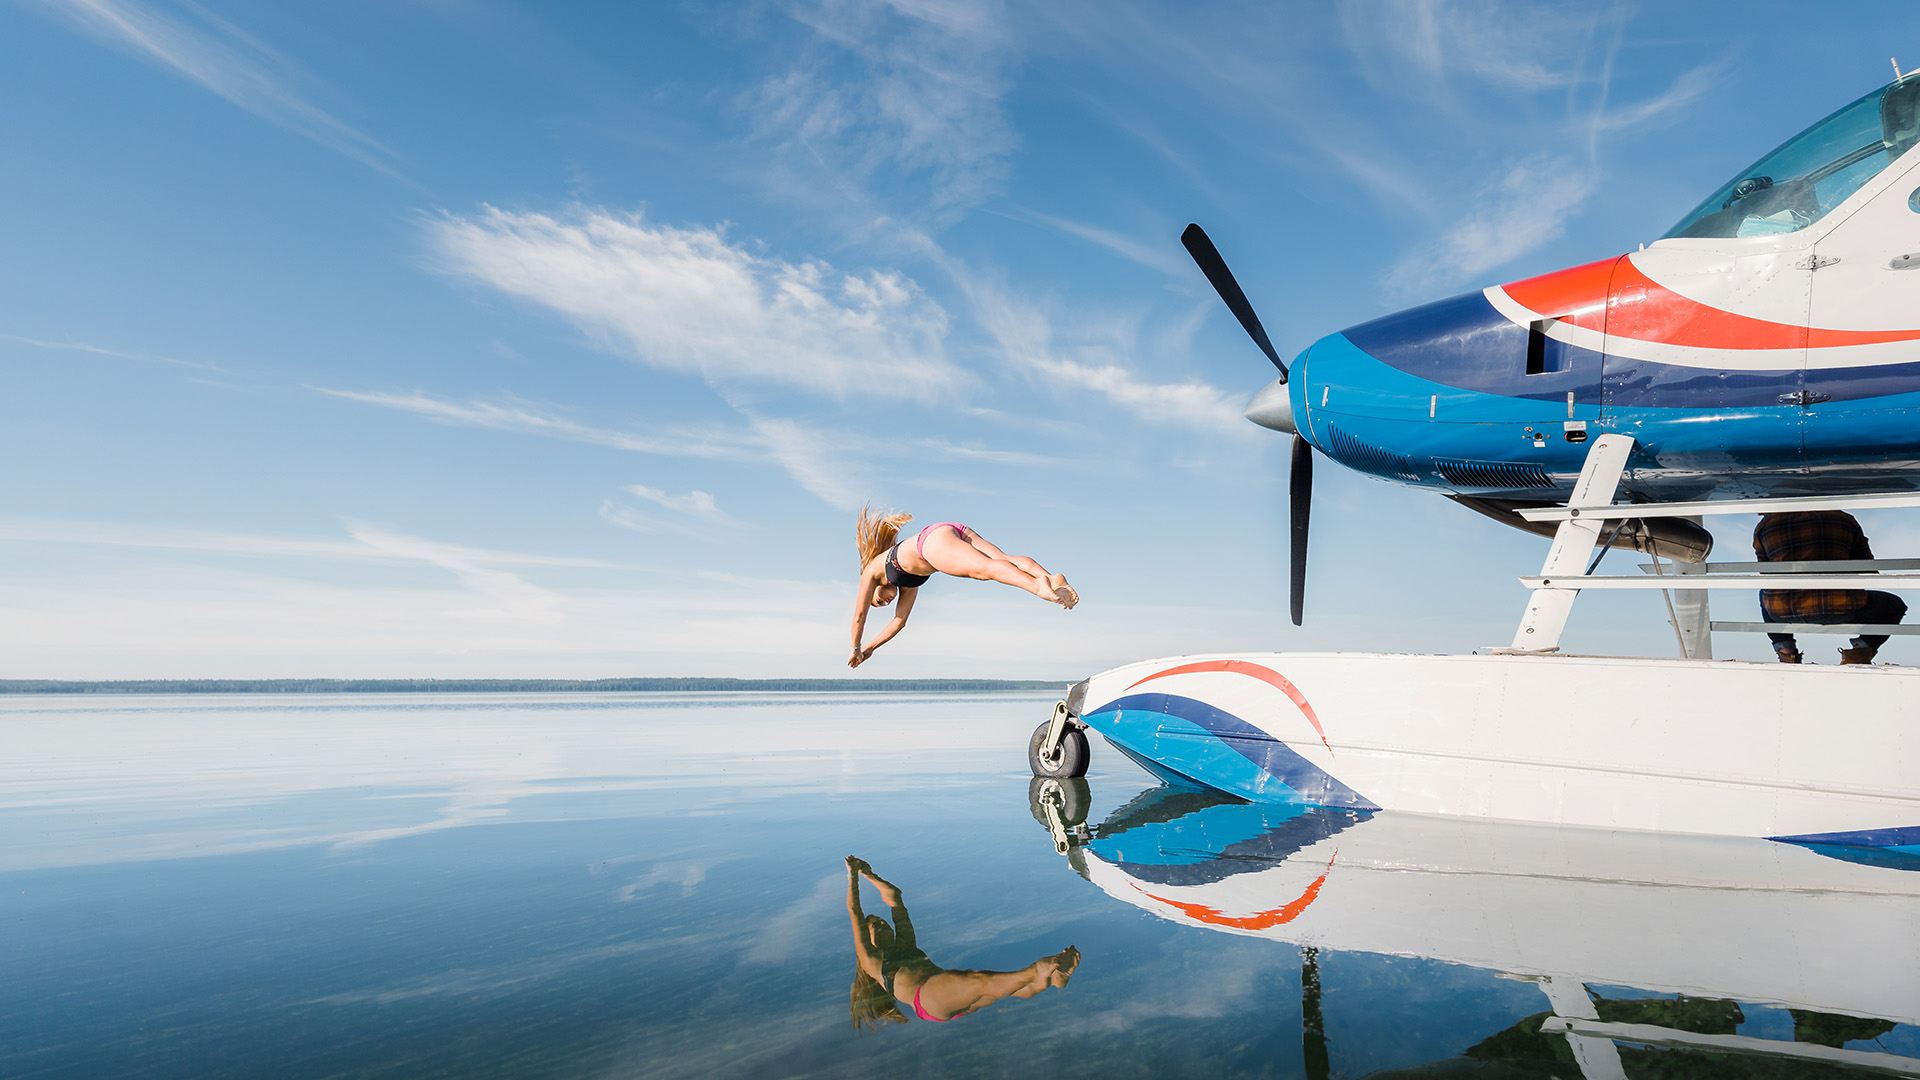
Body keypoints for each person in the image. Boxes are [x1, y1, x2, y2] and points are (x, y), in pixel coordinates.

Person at [845, 856, 1077, 1031]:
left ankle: (1053, 979)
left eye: (883, 922)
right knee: (979, 981)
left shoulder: (905, 942)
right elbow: (855, 911)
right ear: (869, 939)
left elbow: (895, 897)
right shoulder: (871, 961)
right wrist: (852, 877)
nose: (884, 925)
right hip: (928, 997)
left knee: (1007, 991)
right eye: (876, 926)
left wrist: (869, 874)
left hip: (942, 997)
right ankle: (1035, 971)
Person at [849, 507, 1077, 669]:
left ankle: (1038, 585)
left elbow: (859, 616)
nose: (884, 603)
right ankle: (1050, 577)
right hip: (948, 530)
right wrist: (870, 648)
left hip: (931, 543)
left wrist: (855, 647)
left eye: (878, 601)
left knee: (984, 569)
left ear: (875, 589)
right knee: (1002, 559)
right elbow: (899, 621)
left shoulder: (871, 570)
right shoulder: (908, 583)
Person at [1753, 510, 1906, 664]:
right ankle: (1858, 653)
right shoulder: (1844, 519)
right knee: (1894, 605)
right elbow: (1868, 569)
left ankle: (1786, 653)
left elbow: (1766, 572)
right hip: (1840, 607)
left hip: (1783, 610)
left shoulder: (1766, 526)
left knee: (1765, 593)